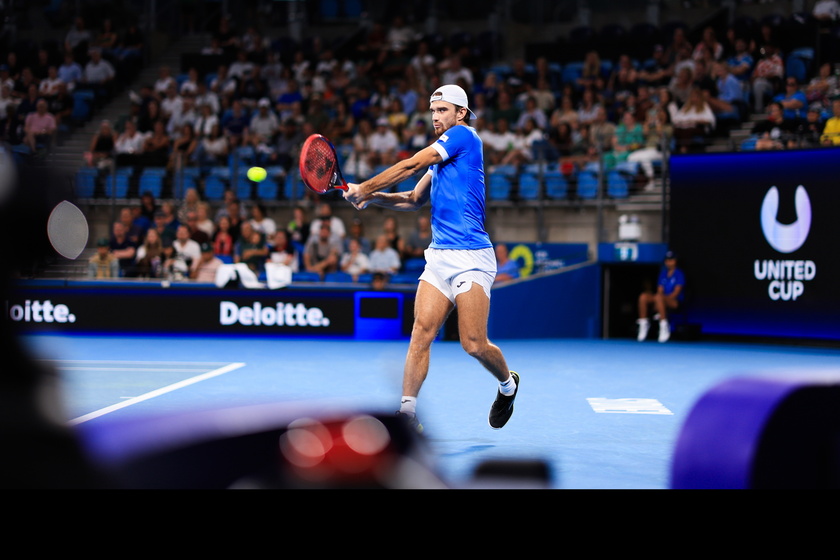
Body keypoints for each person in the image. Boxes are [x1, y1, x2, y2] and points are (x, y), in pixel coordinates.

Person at [342, 83, 520, 433]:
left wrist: (365, 186)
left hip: (472, 257)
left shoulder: (465, 138)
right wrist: (371, 198)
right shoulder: (443, 159)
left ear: (461, 113)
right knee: (421, 332)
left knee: (473, 343)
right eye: (433, 111)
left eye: (443, 110)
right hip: (439, 258)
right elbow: (412, 199)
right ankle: (407, 415)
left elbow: (412, 163)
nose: (436, 117)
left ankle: (508, 384)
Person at [636, 251, 685, 343]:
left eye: (671, 260)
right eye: (667, 260)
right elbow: (660, 290)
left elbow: (676, 293)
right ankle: (643, 324)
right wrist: (658, 303)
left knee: (659, 298)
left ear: (675, 261)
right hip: (661, 300)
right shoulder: (663, 274)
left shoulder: (679, 274)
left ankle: (664, 326)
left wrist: (661, 300)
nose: (669, 262)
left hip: (675, 302)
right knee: (643, 297)